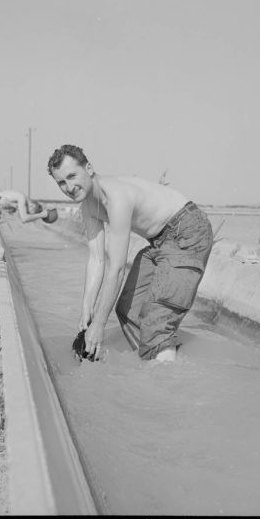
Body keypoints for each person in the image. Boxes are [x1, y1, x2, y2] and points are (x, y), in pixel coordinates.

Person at [47, 144, 213, 362]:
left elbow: (116, 269)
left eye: (72, 176)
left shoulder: (117, 196)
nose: (69, 187)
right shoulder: (88, 206)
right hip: (159, 241)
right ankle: (154, 361)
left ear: (88, 169)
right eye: (61, 182)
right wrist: (87, 310)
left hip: (187, 232)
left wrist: (98, 325)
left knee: (156, 321)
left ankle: (167, 378)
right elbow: (97, 260)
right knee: (127, 310)